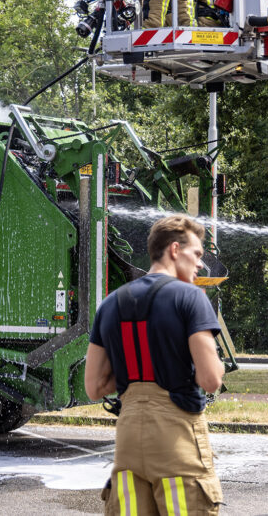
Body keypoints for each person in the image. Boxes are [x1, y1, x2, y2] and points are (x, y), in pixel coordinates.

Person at [86, 214, 224, 515]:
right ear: (174, 250)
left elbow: (94, 387)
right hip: (177, 440)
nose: (200, 264)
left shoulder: (110, 304)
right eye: (197, 254)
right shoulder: (191, 297)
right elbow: (211, 379)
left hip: (128, 442)